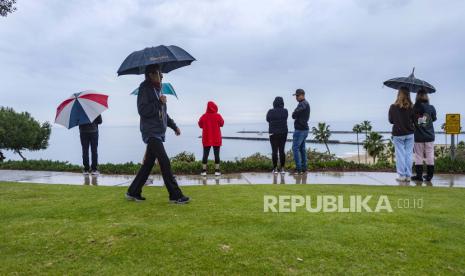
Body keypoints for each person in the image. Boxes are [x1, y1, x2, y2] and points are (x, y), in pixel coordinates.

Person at [126, 64, 190, 204]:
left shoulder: (157, 89)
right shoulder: (145, 89)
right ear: (150, 75)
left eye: (161, 73)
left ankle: (133, 191)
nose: (162, 75)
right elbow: (143, 110)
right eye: (158, 73)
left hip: (158, 132)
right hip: (151, 132)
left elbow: (164, 113)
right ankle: (175, 195)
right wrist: (158, 102)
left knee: (148, 164)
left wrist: (174, 126)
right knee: (165, 162)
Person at [389, 87, 415, 182]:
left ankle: (401, 175)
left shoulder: (393, 107)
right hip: (410, 133)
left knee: (400, 155)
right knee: (408, 154)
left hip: (398, 133)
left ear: (398, 94)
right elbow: (414, 120)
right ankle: (408, 175)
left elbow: (391, 121)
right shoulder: (412, 107)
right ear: (408, 95)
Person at [411, 89, 437, 182]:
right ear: (426, 96)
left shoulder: (414, 108)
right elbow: (434, 119)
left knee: (418, 156)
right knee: (430, 155)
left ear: (417, 97)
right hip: (429, 135)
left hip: (418, 136)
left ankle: (419, 176)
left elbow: (411, 120)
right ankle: (429, 176)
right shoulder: (431, 107)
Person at [198, 101, 224, 176]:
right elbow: (222, 123)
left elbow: (200, 124)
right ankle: (217, 171)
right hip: (216, 138)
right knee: (217, 155)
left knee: (205, 155)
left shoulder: (204, 116)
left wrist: (206, 125)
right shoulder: (218, 116)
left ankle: (203, 171)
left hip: (206, 138)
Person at [266, 96, 288, 174]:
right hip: (283, 132)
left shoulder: (270, 111)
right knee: (282, 150)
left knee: (274, 151)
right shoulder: (285, 111)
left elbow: (267, 119)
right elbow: (285, 118)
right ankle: (282, 169)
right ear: (282, 103)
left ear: (274, 103)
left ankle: (275, 168)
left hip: (273, 133)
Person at [291, 89, 310, 174]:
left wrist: (294, 113)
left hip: (300, 130)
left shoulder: (303, 104)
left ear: (302, 95)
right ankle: (304, 169)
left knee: (295, 148)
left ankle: (299, 169)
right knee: (302, 149)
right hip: (304, 129)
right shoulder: (304, 103)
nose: (296, 97)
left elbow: (294, 115)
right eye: (296, 96)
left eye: (297, 95)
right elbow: (295, 115)